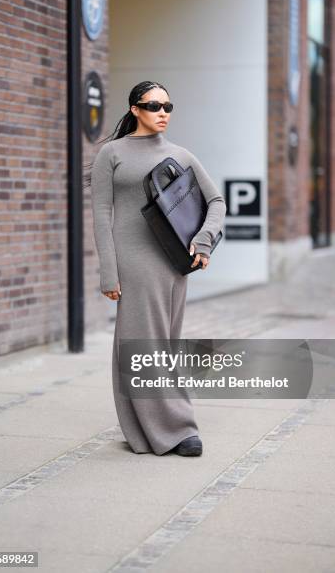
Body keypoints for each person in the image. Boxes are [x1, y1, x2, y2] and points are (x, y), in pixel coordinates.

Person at [88, 80, 226, 456]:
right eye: (153, 105)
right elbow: (102, 215)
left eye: (167, 106)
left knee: (164, 345)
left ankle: (154, 427)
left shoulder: (181, 155)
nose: (162, 113)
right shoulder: (112, 154)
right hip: (133, 261)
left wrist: (203, 240)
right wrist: (108, 271)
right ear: (135, 109)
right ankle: (178, 429)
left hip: (174, 262)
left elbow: (215, 201)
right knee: (144, 344)